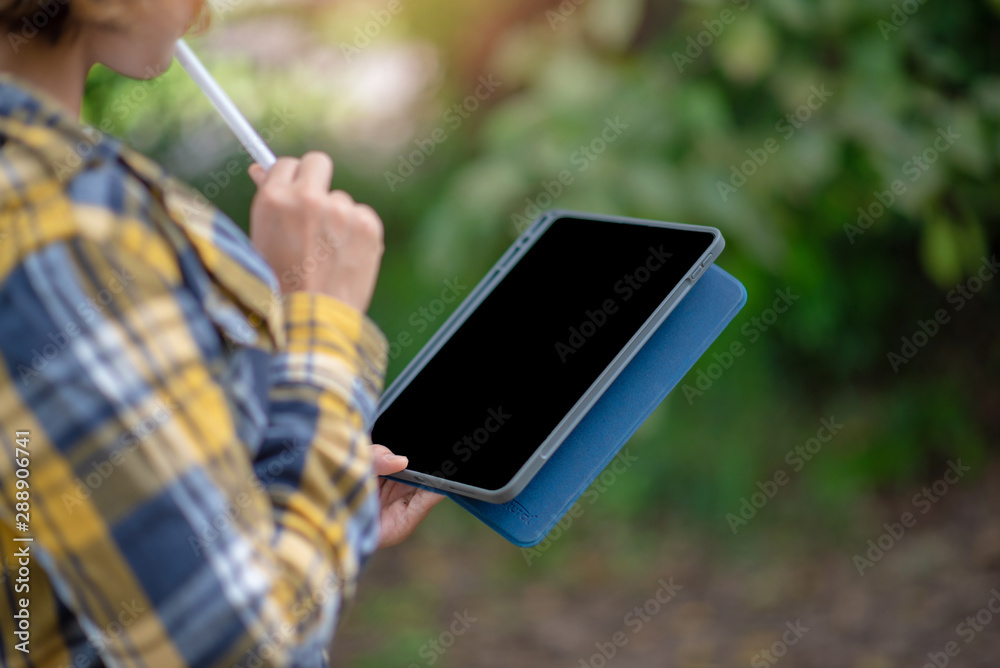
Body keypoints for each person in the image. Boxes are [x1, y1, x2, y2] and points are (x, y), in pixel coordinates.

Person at [0, 1, 444, 666]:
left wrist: (313, 501)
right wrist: (320, 317)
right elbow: (244, 650)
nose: (204, 15)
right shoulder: (59, 231)